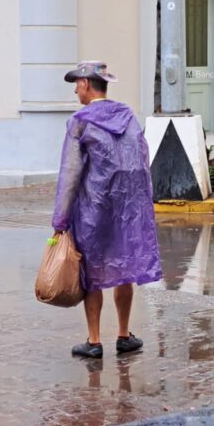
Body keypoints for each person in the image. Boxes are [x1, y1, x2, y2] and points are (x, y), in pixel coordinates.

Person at [52, 61, 162, 359]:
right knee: (124, 265)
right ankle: (124, 335)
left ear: (87, 84)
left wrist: (60, 219)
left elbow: (71, 173)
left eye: (76, 83)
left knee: (92, 270)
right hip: (129, 206)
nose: (75, 89)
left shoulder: (80, 121)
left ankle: (94, 340)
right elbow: (142, 160)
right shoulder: (128, 117)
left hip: (93, 207)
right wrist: (141, 205)